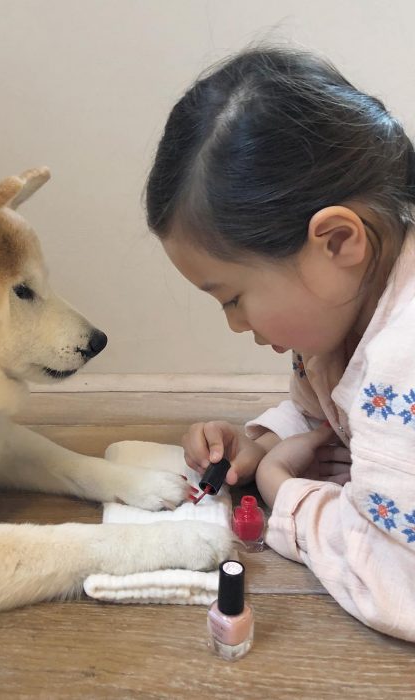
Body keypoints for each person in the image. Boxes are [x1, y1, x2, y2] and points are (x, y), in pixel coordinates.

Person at [145, 45, 415, 641]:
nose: (236, 325)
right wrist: (263, 440)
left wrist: (283, 493)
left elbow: (400, 583)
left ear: (339, 242)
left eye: (233, 298)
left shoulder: (404, 357)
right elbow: (331, 417)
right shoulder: (345, 311)